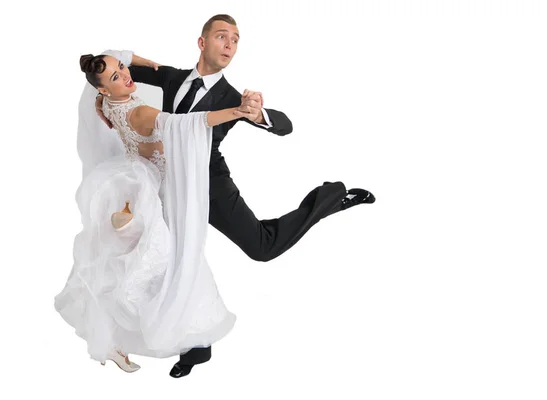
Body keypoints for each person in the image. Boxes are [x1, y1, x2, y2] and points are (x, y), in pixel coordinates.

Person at [102, 14, 376, 378]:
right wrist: (133, 63)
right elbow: (108, 60)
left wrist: (258, 112)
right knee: (167, 262)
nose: (230, 44)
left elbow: (285, 126)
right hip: (164, 184)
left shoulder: (233, 98)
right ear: (202, 43)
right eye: (221, 36)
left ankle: (330, 199)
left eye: (235, 39)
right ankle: (196, 346)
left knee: (262, 248)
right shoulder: (171, 77)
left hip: (208, 184)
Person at [54, 53, 255, 373]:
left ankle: (134, 335)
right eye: (117, 76)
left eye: (122, 68)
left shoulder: (104, 105)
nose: (126, 74)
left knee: (134, 259)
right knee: (168, 259)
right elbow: (190, 123)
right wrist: (238, 111)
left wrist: (148, 63)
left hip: (134, 174)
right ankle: (175, 333)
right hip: (157, 187)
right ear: (104, 89)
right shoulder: (139, 111)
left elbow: (120, 55)